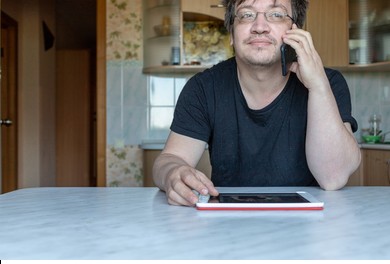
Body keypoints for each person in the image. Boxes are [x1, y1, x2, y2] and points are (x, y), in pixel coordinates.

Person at [153, 0, 361, 206]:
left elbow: (333, 177)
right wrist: (173, 172)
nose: (259, 27)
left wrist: (318, 86)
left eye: (276, 14)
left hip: (312, 227)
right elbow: (169, 159)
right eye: (246, 15)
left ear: (295, 30)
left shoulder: (328, 83)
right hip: (227, 227)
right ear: (232, 33)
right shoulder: (203, 88)